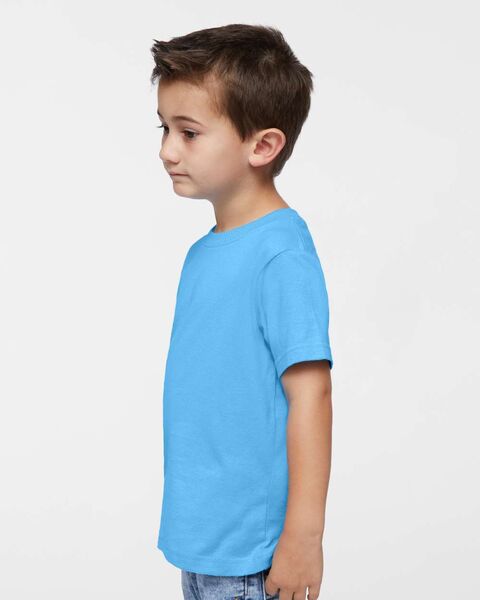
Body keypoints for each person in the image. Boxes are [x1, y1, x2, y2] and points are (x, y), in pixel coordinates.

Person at [150, 23, 334, 600]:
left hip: (251, 558)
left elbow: (312, 394)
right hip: (205, 543)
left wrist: (303, 538)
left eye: (189, 132)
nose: (167, 150)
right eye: (164, 128)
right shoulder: (204, 253)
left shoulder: (280, 254)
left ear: (262, 146)